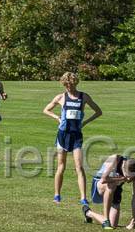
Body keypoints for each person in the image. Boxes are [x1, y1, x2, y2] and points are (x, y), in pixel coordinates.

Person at [43, 72, 102, 206]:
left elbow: (98, 111)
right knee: (61, 166)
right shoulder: (60, 97)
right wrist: (57, 118)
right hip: (63, 134)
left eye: (71, 85)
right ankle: (57, 195)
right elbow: (46, 110)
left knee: (79, 167)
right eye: (66, 85)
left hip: (76, 136)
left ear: (75, 83)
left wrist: (85, 122)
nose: (69, 87)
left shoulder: (84, 97)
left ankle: (83, 198)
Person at [83, 154, 135, 230]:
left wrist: (134, 220)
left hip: (116, 189)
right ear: (124, 168)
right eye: (129, 176)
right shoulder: (115, 159)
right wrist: (122, 178)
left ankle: (88, 213)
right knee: (111, 186)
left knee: (113, 225)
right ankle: (106, 220)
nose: (129, 179)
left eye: (132, 178)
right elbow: (104, 179)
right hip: (100, 184)